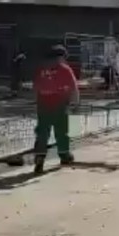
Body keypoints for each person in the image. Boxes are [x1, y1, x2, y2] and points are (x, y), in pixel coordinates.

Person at [32, 45, 77, 174]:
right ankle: (64, 155)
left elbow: (35, 87)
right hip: (60, 103)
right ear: (61, 57)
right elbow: (73, 87)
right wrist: (75, 103)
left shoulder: (41, 68)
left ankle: (40, 158)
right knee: (61, 131)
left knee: (42, 132)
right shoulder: (64, 69)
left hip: (43, 103)